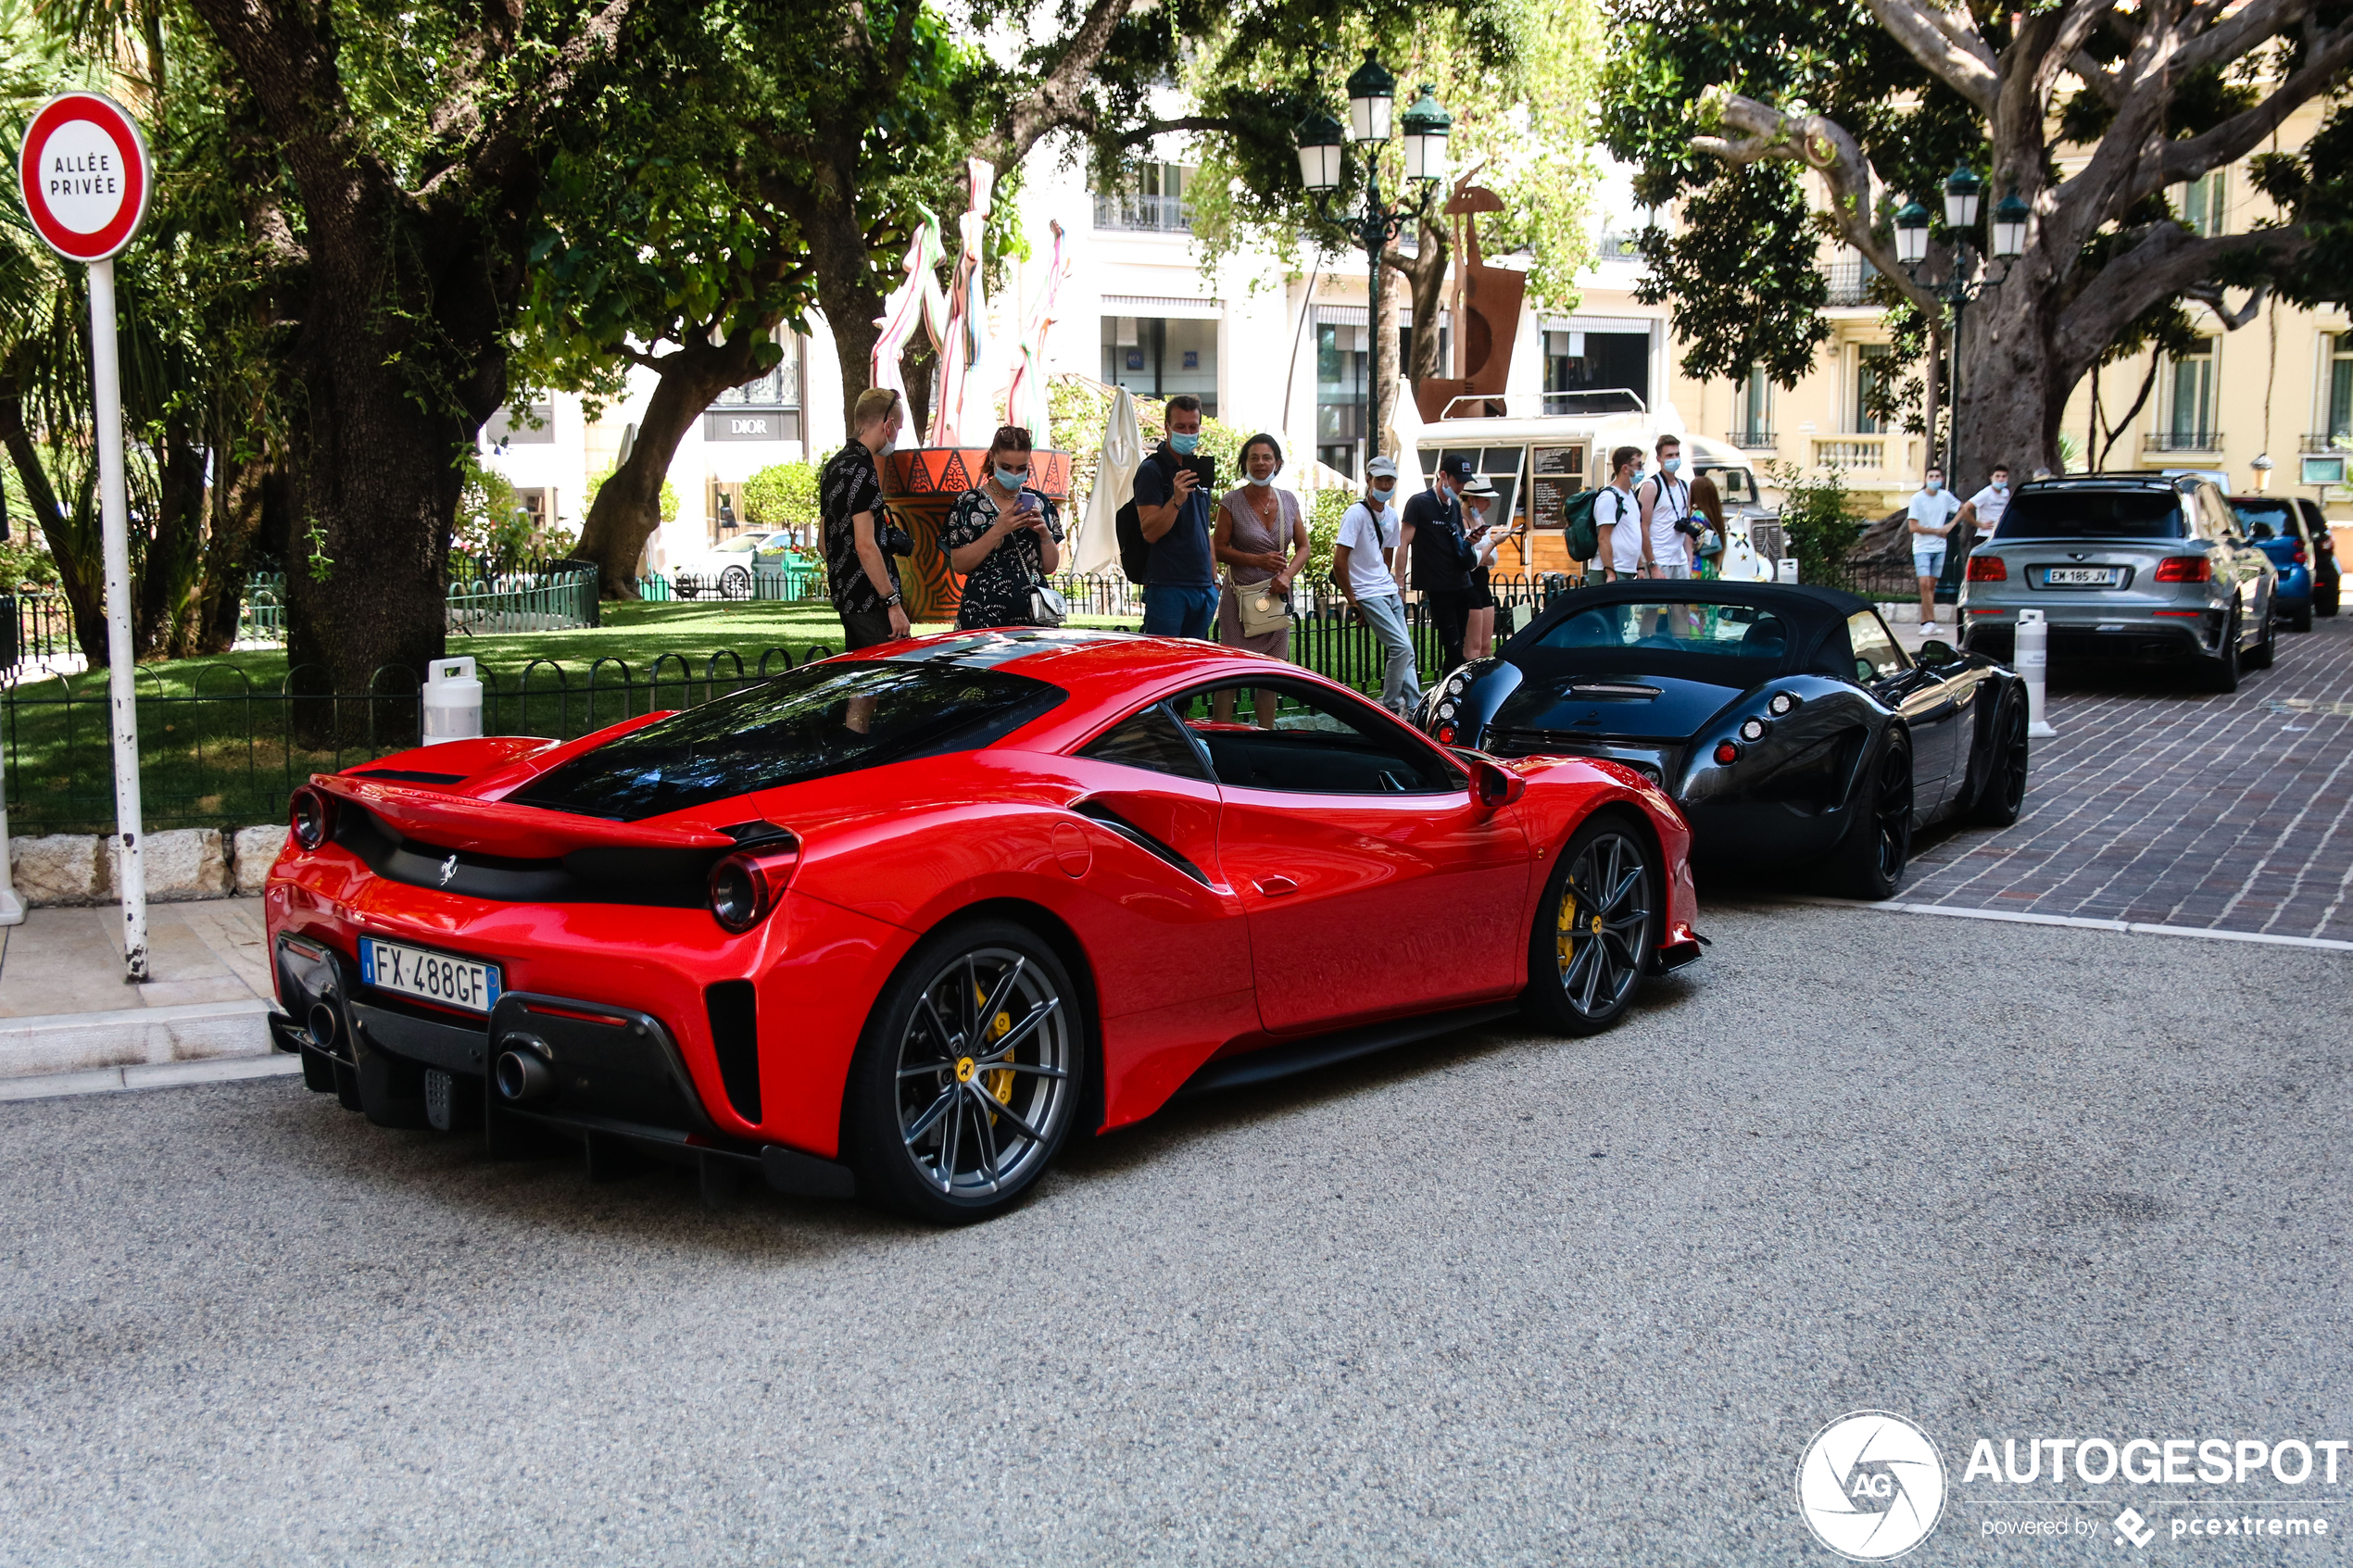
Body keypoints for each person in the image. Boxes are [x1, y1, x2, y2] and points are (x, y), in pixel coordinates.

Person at [941, 423, 1063, 631]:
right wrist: (998, 530)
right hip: (983, 611)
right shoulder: (968, 503)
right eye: (1006, 467)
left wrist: (1044, 534)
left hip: (1034, 613)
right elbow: (960, 564)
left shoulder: (1040, 502)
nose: (1014, 474)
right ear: (992, 458)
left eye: (1021, 468)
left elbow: (1050, 566)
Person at [822, 386, 910, 650]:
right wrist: (892, 603)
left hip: (847, 597)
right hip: (872, 600)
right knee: (890, 680)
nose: (896, 436)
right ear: (889, 425)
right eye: (899, 428)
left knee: (862, 684)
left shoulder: (834, 466)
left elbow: (822, 543)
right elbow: (865, 544)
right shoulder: (863, 470)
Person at [1332, 457, 1419, 716]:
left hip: (1386, 589)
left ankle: (1414, 707)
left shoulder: (1392, 515)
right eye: (1380, 479)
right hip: (1368, 593)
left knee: (1408, 651)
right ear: (1369, 480)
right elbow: (1340, 561)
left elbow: (1387, 555)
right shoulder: (1355, 514)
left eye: (1389, 479)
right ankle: (1391, 706)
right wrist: (1353, 600)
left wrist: (1390, 582)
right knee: (1400, 647)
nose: (1385, 484)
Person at [1133, 394, 1218, 639]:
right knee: (1165, 663)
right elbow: (1149, 531)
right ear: (1167, 428)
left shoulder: (1199, 470)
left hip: (1203, 586)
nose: (1187, 432)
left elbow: (1204, 528)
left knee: (1196, 667)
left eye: (1193, 427)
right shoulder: (1153, 470)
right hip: (1168, 585)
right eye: (1180, 426)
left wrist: (1214, 580)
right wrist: (1176, 500)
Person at [1402, 456, 1482, 672]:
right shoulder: (1419, 502)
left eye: (1464, 483)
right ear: (1443, 476)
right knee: (1453, 647)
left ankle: (1450, 692)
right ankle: (1450, 694)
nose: (1461, 487)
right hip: (1439, 586)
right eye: (1458, 482)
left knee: (1458, 649)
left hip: (1461, 583)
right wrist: (1400, 582)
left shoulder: (1454, 505)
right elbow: (1404, 542)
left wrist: (1470, 541)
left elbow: (1455, 541)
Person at [1942, 462, 2011, 608]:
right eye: (1998, 476)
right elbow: (1966, 507)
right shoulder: (1986, 493)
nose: (2001, 479)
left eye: (2004, 477)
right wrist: (1978, 523)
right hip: (1984, 536)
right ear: (1991, 477)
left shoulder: (2006, 494)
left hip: (2000, 537)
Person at [1906, 465, 1964, 634]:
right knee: (1924, 583)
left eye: (1937, 476)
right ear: (1926, 479)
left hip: (1940, 547)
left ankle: (1926, 622)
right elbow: (1912, 526)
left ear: (1942, 479)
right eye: (1931, 476)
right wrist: (1936, 531)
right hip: (1922, 546)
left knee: (1931, 585)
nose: (1934, 479)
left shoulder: (1945, 497)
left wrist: (1950, 525)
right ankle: (1930, 621)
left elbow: (1963, 509)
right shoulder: (1917, 499)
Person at [1464, 476, 1516, 659]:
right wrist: (1491, 545)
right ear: (1472, 499)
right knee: (1473, 648)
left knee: (1486, 648)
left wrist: (1486, 552)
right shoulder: (1462, 521)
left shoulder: (1480, 520)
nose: (1489, 504)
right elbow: (1471, 560)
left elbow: (1490, 558)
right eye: (1485, 499)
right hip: (1469, 585)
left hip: (1483, 583)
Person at [1637, 433, 1696, 579]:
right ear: (1659, 459)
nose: (1674, 459)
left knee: (1682, 602)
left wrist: (1689, 560)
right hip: (1659, 559)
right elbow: (1642, 528)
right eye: (1669, 455)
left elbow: (1686, 527)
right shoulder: (1651, 486)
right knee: (1657, 602)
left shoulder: (1684, 486)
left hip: (1680, 560)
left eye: (1677, 454)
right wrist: (1653, 565)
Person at [1595, 445, 1644, 583]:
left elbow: (1634, 533)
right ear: (1625, 468)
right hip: (1613, 571)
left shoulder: (1631, 496)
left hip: (1627, 569)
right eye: (1638, 465)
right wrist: (1610, 573)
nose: (1641, 470)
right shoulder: (1609, 497)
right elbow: (1603, 538)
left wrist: (1639, 566)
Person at [1689, 472, 1727, 581]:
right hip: (1710, 565)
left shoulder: (1697, 515)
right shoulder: (1714, 515)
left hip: (1697, 567)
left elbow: (1693, 543)